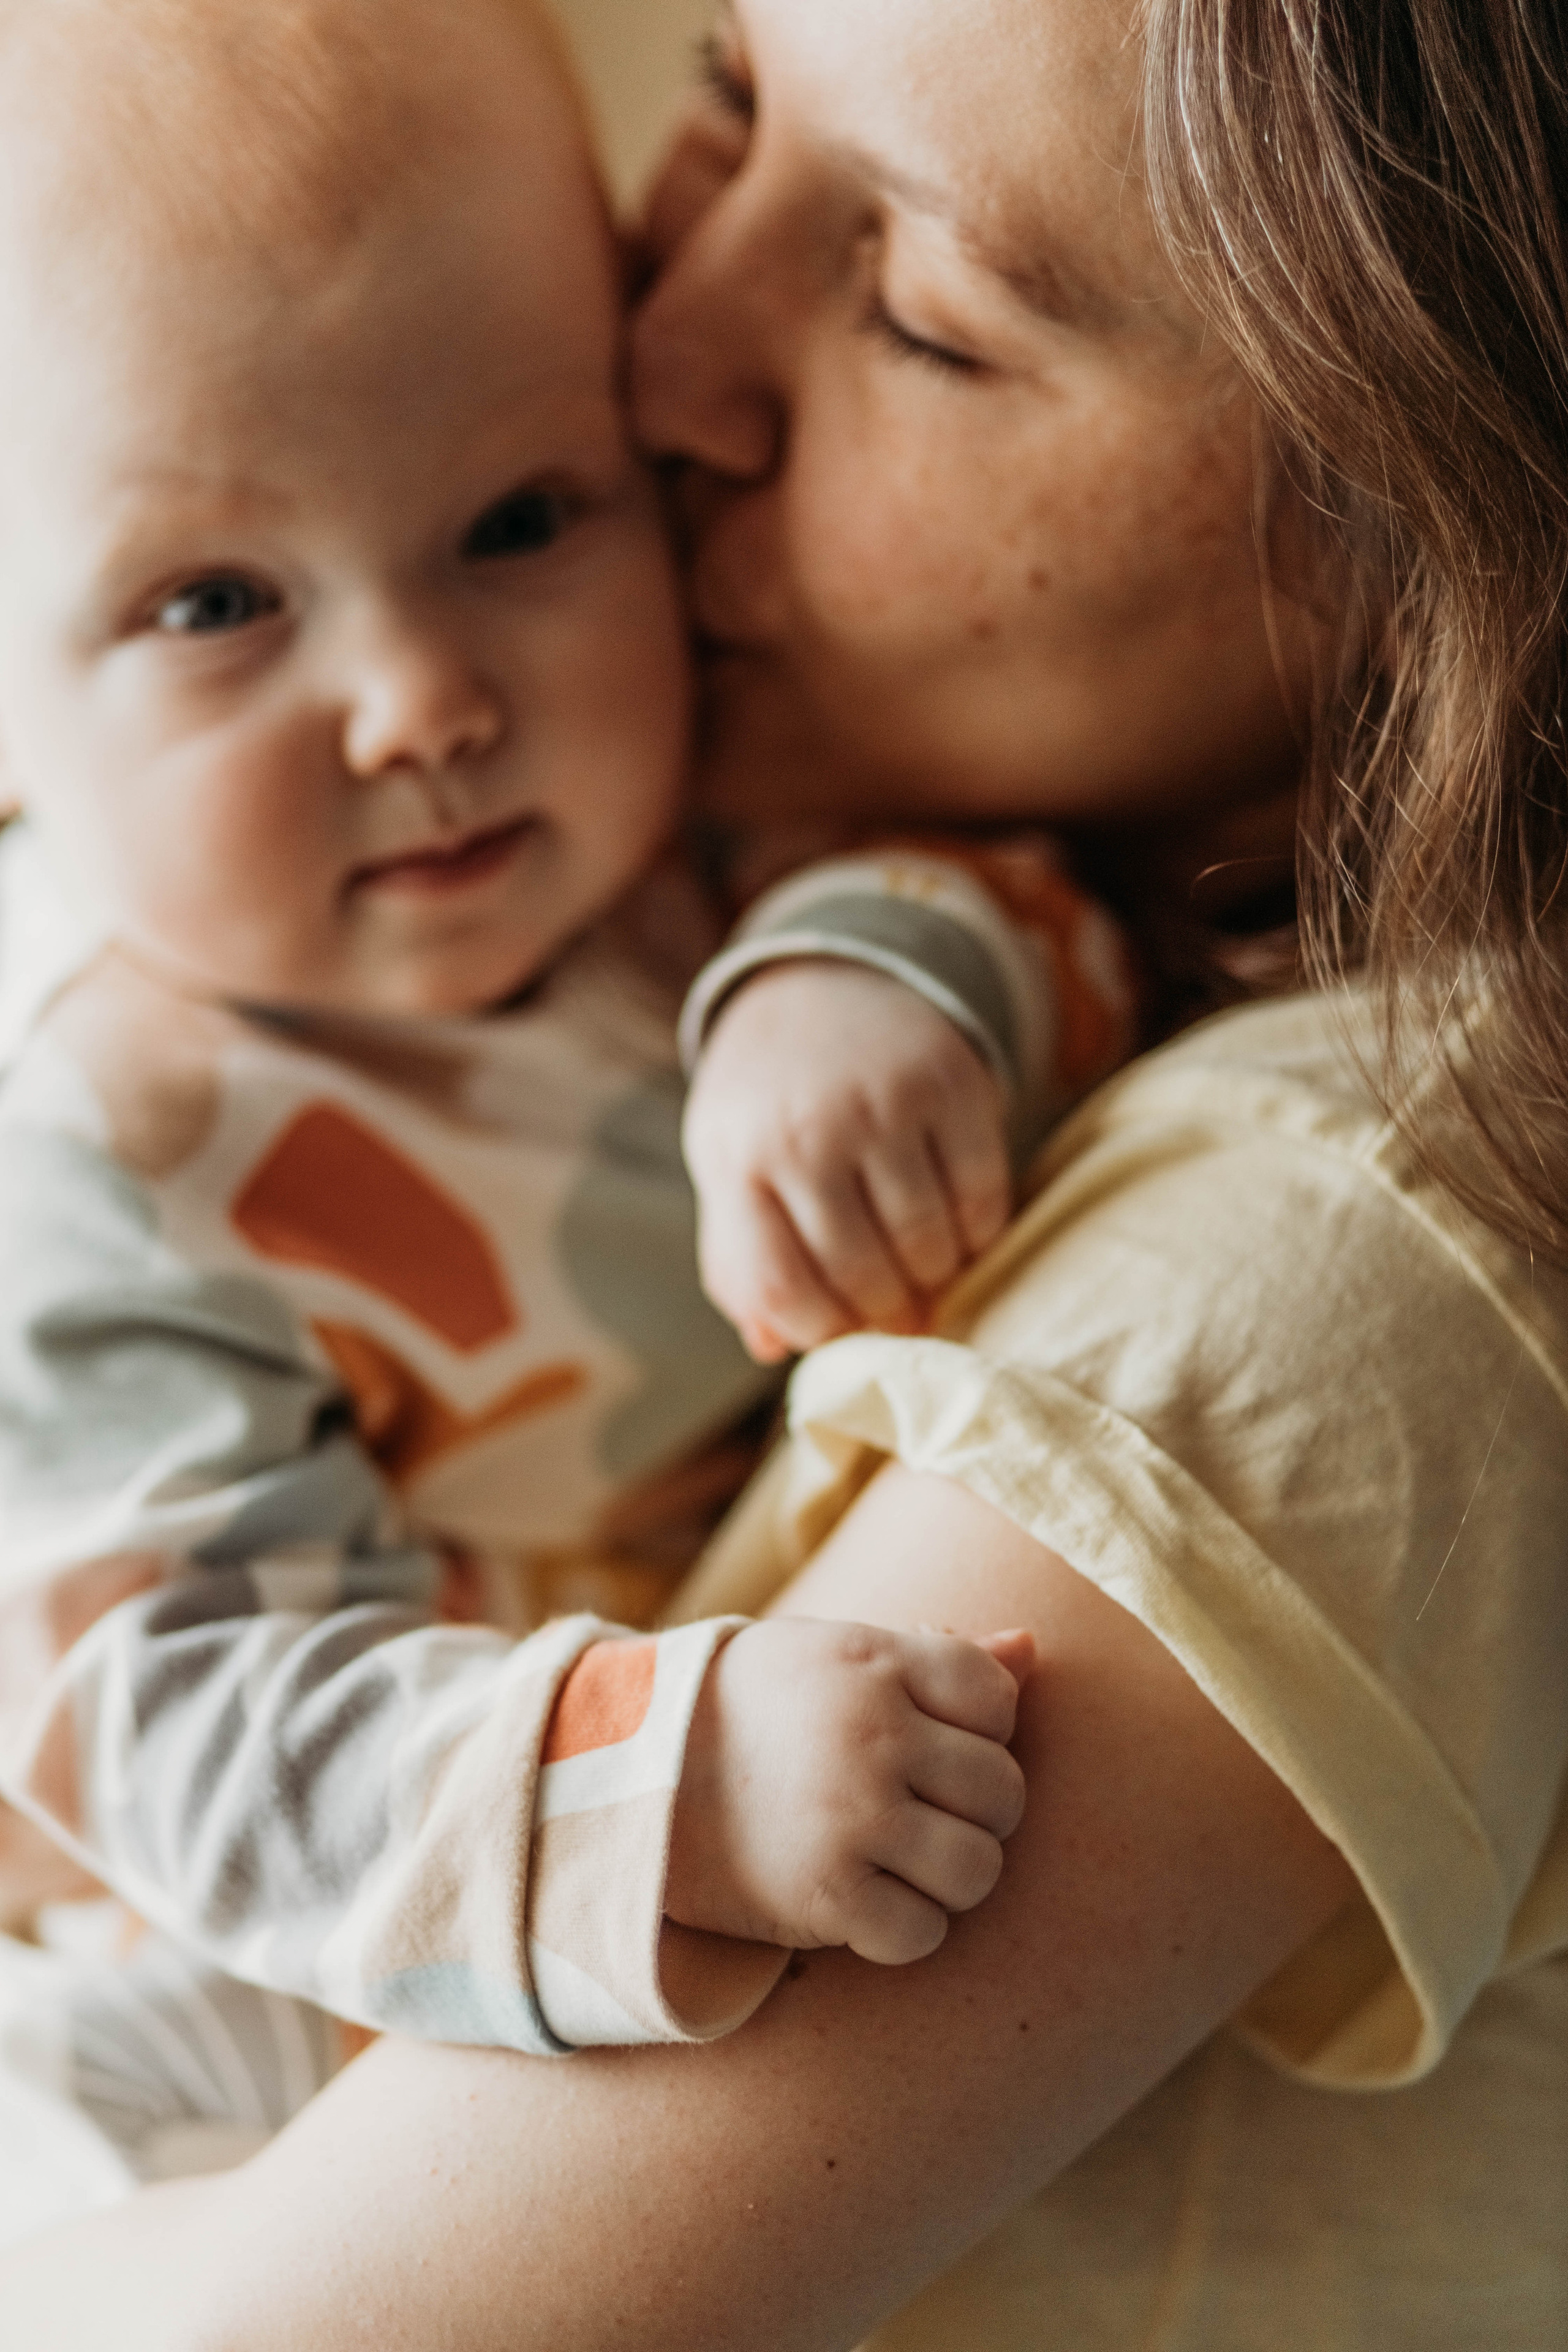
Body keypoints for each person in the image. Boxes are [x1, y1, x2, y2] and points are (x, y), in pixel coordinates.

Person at [5, 0, 1567, 2343]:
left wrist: (854, 983)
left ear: (1432, 526)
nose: (655, 355)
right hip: (218, 1977)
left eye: (926, 314)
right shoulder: (129, 1114)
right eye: (725, 93)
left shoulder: (1351, 1241)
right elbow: (166, 1723)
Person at [0, 0, 1154, 2193]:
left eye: (523, 517)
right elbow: (193, 1743)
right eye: (219, 601)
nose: (424, 701)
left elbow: (1052, 923)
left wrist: (861, 980)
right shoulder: (90, 1162)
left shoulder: (678, 834)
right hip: (227, 1916)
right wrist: (662, 1784)